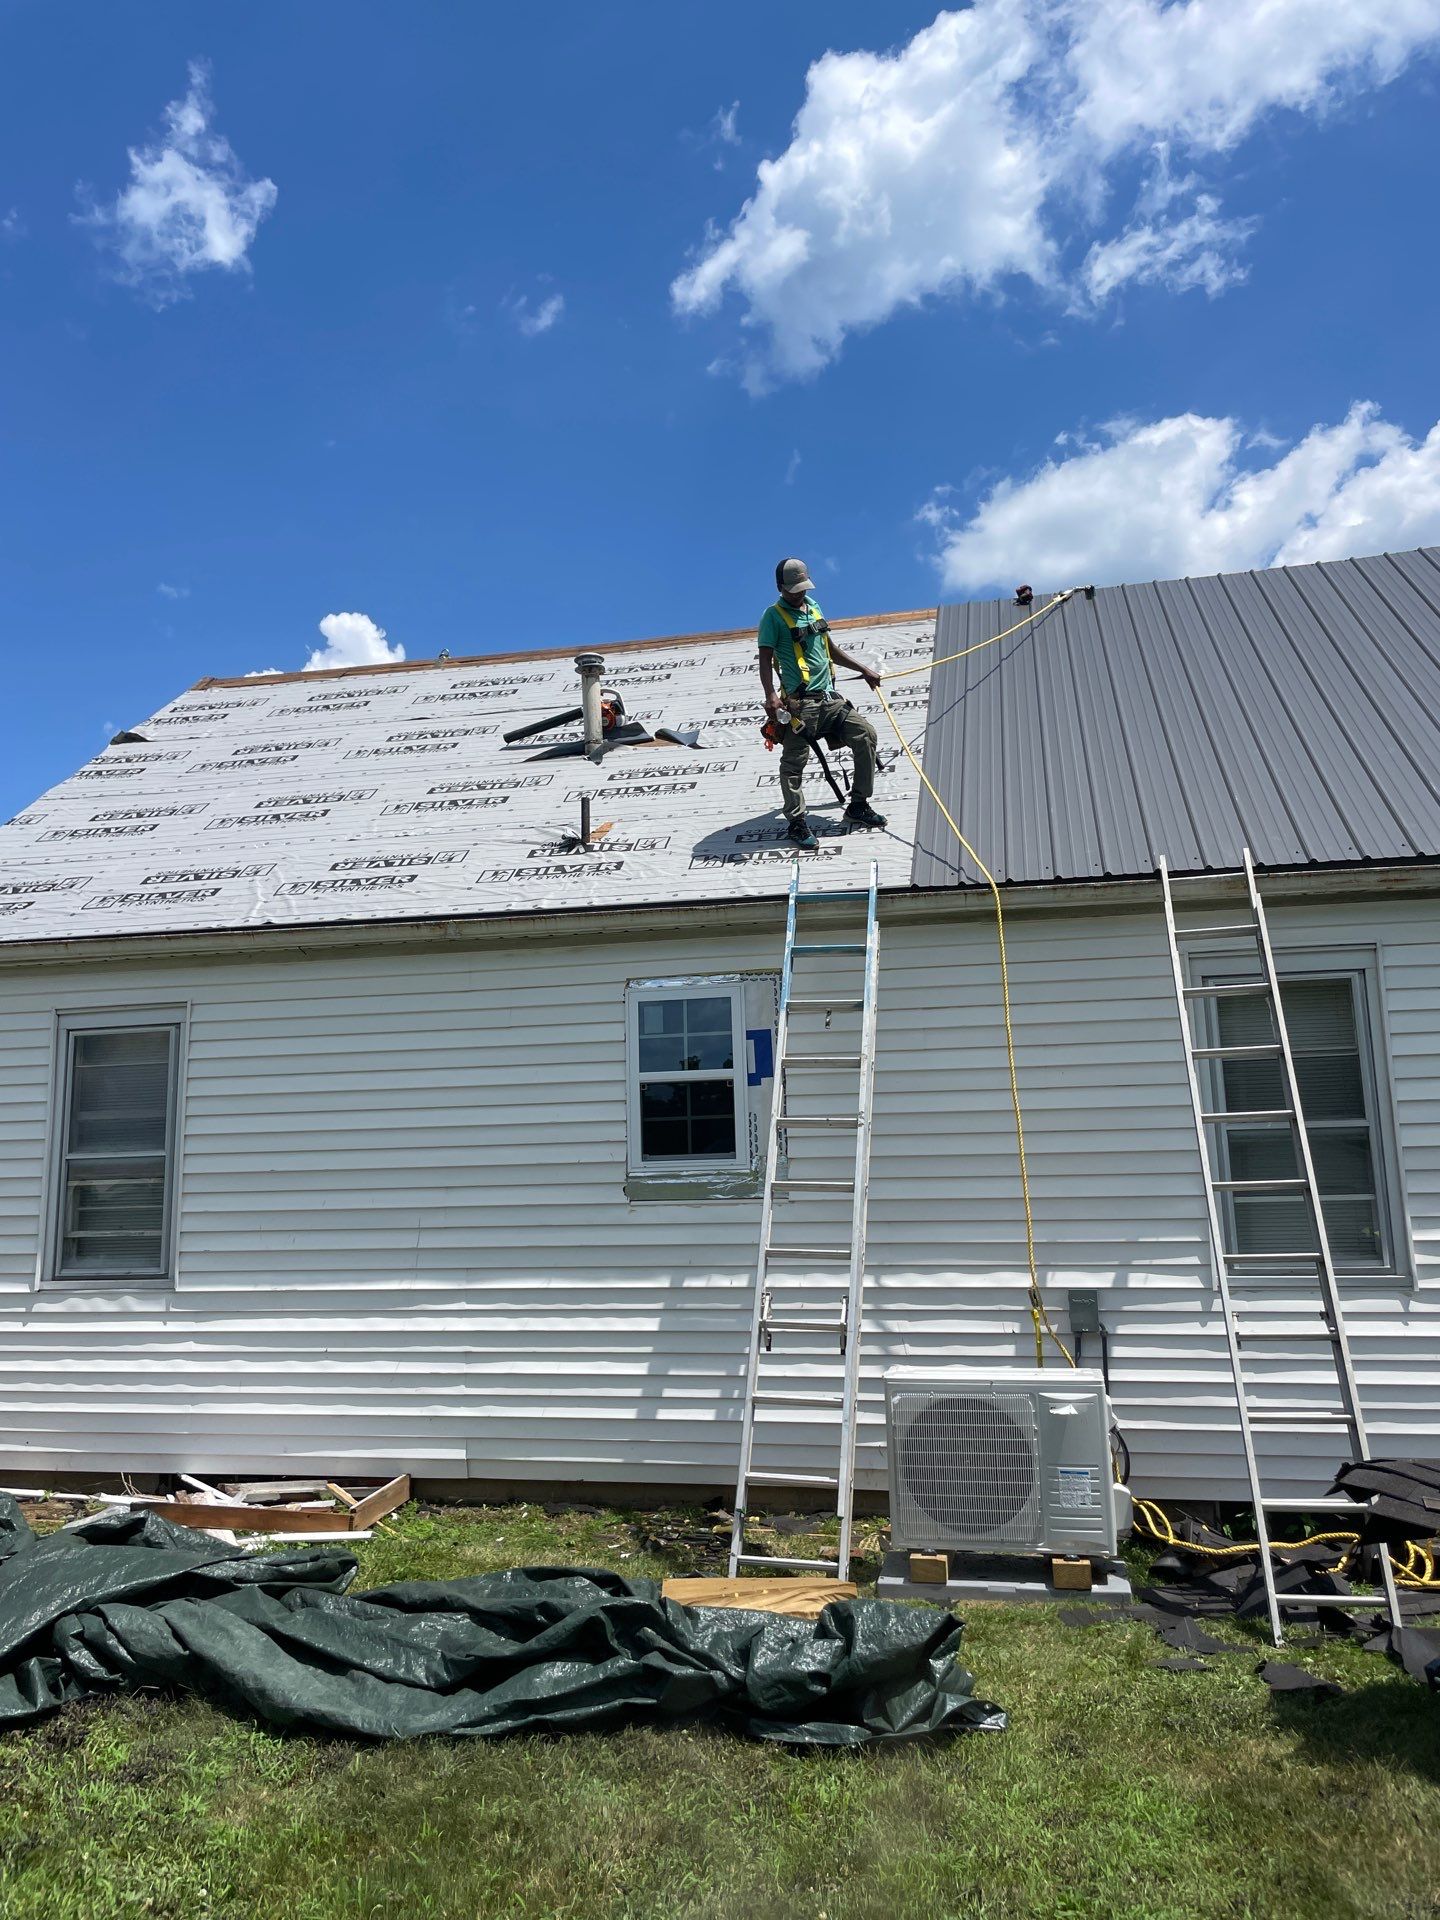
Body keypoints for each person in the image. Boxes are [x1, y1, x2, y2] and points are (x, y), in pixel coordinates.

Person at [758, 558, 888, 850]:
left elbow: (830, 649)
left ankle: (858, 805)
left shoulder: (814, 606)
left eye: (802, 588)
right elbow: (764, 658)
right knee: (794, 763)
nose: (798, 594)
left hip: (829, 700)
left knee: (865, 735)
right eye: (793, 590)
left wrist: (862, 669)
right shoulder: (773, 617)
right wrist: (771, 696)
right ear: (780, 587)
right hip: (800, 705)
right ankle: (797, 821)